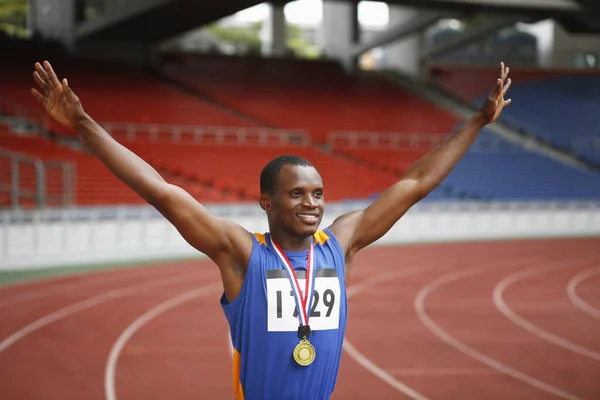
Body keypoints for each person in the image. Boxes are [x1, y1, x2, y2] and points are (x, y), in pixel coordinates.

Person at [31, 60, 512, 400]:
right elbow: (160, 191)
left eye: (318, 193)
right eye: (297, 193)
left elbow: (416, 182)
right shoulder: (241, 253)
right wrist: (82, 122)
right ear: (267, 202)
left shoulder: (341, 244)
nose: (312, 204)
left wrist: (477, 121)